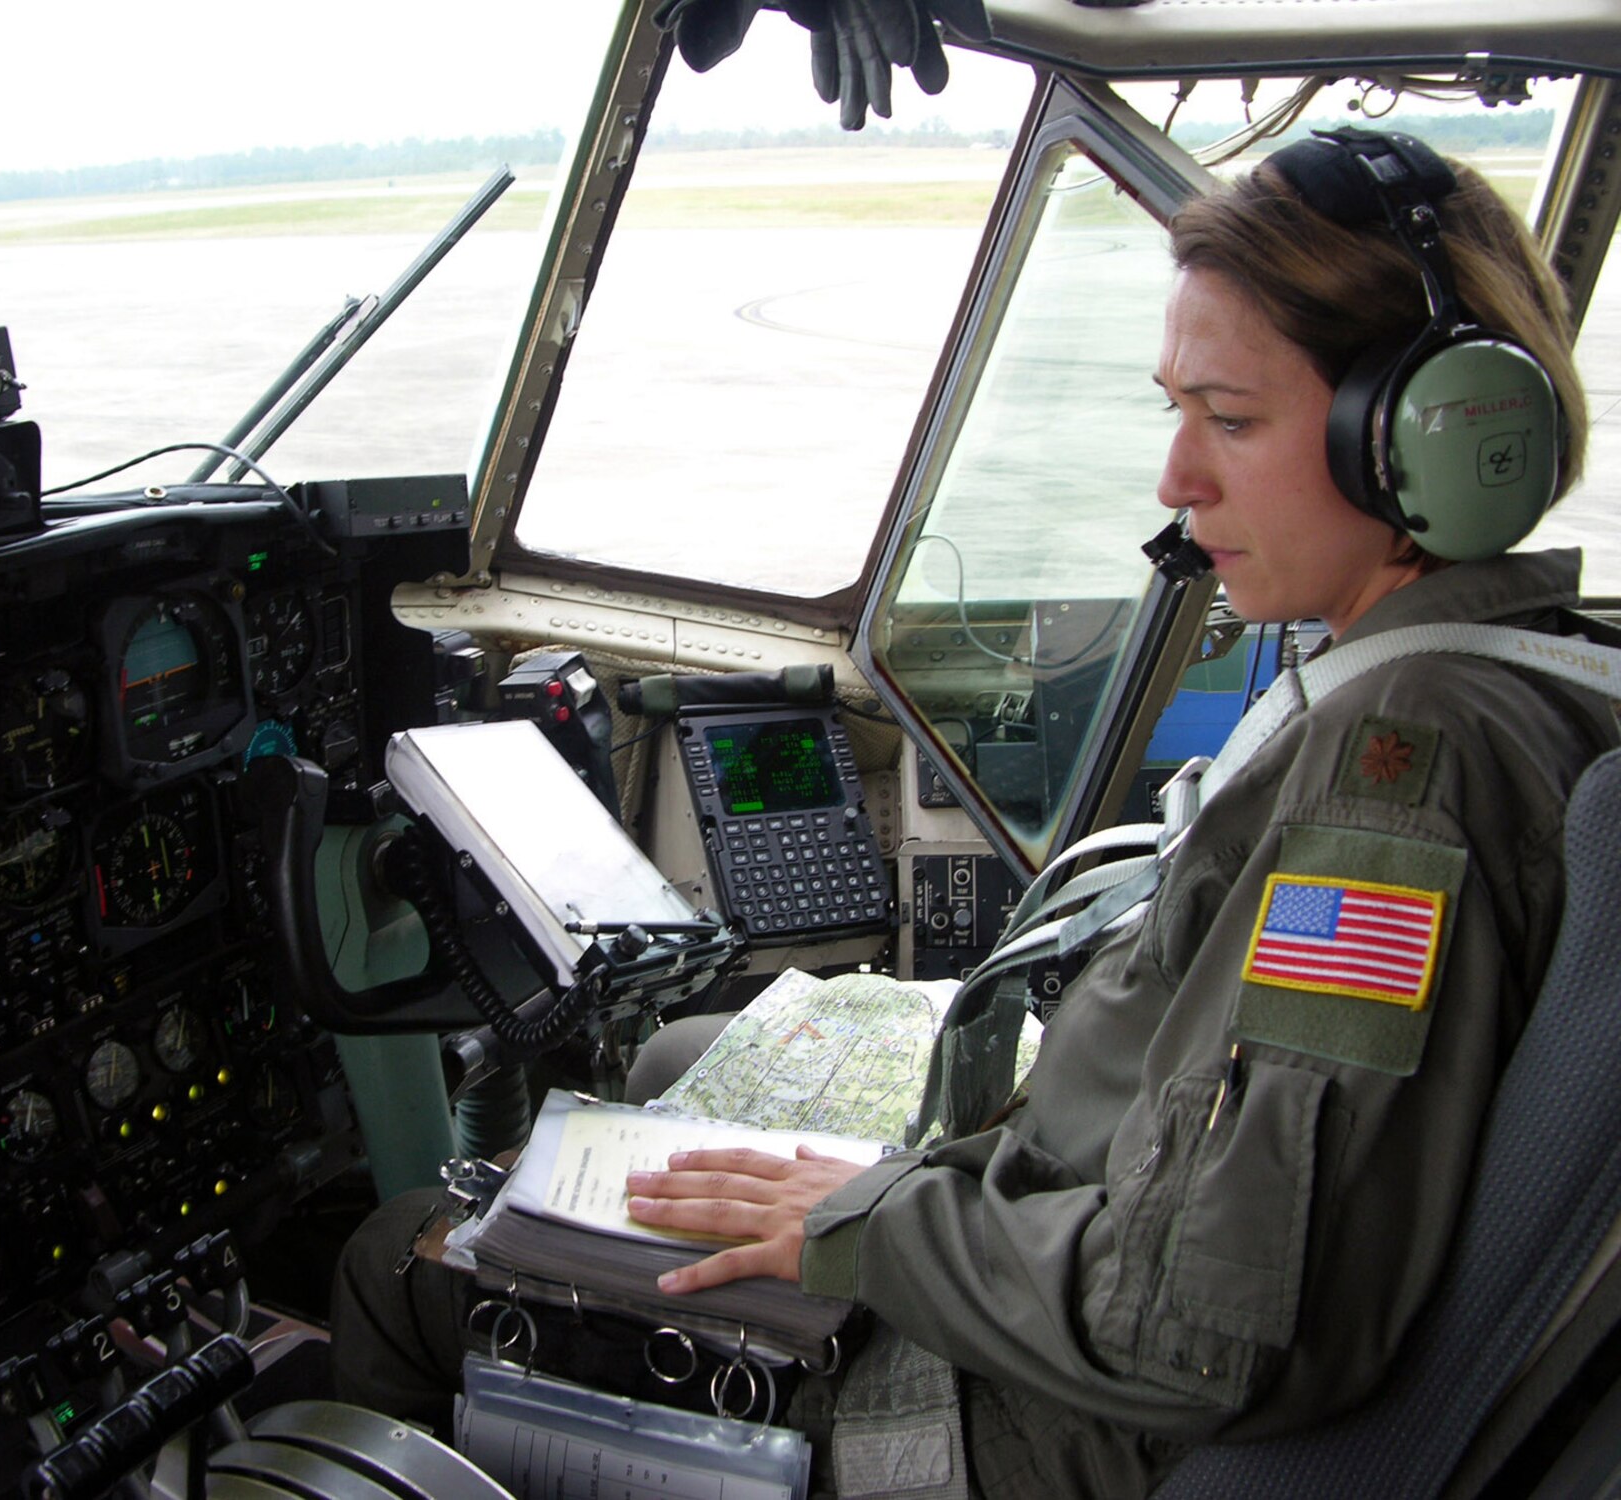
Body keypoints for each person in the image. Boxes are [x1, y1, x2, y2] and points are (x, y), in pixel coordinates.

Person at [328, 129, 1620, 1499]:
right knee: (677, 1100)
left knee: (399, 1259)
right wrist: (902, 1204)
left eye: (1231, 419)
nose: (1177, 479)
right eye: (1173, 410)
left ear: (1414, 435)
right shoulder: (1516, 678)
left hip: (1007, 1427)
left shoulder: (1402, 772)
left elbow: (1201, 1322)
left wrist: (871, 1228)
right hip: (1048, 1304)